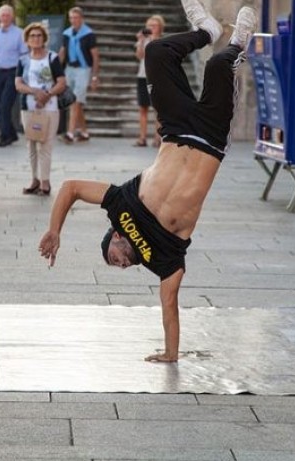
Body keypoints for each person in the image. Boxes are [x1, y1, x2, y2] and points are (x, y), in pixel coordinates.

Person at [39, 0, 257, 363]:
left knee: (156, 52)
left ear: (116, 236)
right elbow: (169, 304)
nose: (120, 266)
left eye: (112, 259)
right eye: (120, 267)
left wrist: (55, 230)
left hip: (175, 128)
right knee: (220, 64)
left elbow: (71, 188)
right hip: (210, 139)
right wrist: (171, 354)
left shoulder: (120, 208)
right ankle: (238, 41)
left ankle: (207, 32)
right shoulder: (163, 260)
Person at [16, 22, 65, 197]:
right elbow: (18, 83)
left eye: (39, 35)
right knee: (31, 144)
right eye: (32, 36)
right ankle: (34, 179)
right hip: (28, 108)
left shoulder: (52, 58)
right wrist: (34, 91)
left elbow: (61, 82)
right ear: (27, 40)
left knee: (46, 144)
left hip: (50, 108)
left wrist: (48, 94)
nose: (35, 39)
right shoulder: (23, 60)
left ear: (44, 38)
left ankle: (45, 182)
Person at [0, 4, 26, 148]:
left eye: (7, 15)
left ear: (12, 16)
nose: (5, 17)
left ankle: (5, 136)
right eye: (2, 15)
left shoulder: (20, 33)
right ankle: (12, 134)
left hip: (13, 72)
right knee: (0, 104)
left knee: (5, 105)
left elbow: (24, 53)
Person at [59, 7, 100, 144]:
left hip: (84, 69)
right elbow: (63, 52)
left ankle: (70, 133)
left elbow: (95, 56)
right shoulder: (66, 33)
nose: (73, 20)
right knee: (75, 102)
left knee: (75, 100)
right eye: (71, 18)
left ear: (81, 18)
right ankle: (84, 132)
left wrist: (94, 77)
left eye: (76, 18)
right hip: (69, 69)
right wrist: (58, 71)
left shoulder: (89, 34)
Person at [134, 15, 164, 148]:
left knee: (157, 109)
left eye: (154, 26)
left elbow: (158, 57)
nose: (151, 28)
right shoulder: (144, 41)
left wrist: (152, 40)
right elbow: (140, 56)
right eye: (149, 26)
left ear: (160, 28)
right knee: (143, 108)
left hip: (157, 78)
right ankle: (142, 137)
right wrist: (141, 41)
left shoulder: (162, 41)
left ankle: (157, 138)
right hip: (142, 76)